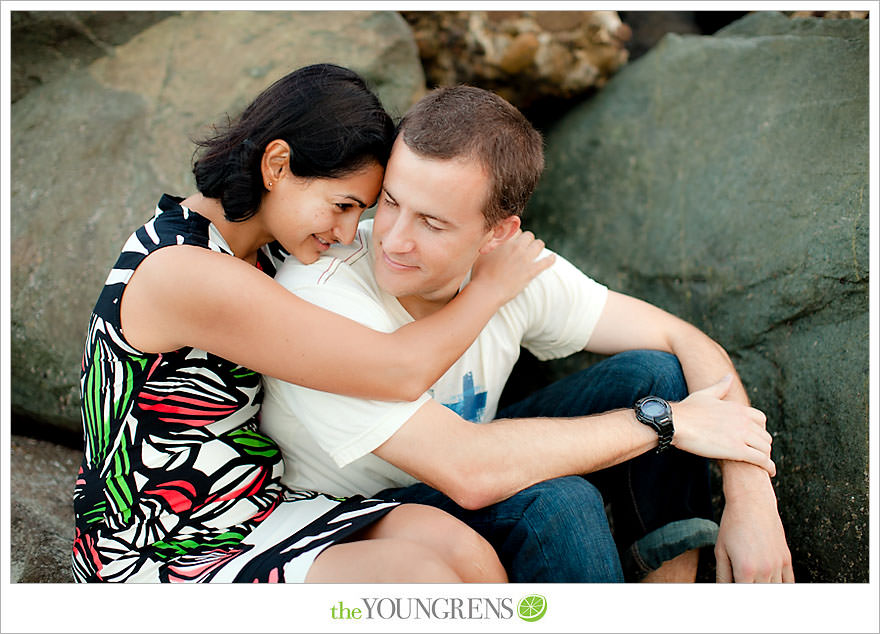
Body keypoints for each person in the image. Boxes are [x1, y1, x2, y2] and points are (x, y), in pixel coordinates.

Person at [260, 84, 795, 583]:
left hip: (469, 459)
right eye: (393, 202)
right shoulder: (321, 290)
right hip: (354, 515)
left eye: (433, 223)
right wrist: (667, 424)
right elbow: (469, 470)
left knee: (655, 373)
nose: (393, 241)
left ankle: (669, 596)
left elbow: (684, 339)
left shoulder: (510, 268)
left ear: (498, 233)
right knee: (559, 501)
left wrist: (750, 498)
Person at [71, 65, 554, 583]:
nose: (350, 233)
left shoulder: (266, 246)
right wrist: (489, 289)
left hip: (256, 504)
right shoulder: (181, 271)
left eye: (365, 208)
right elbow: (398, 370)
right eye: (342, 206)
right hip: (157, 541)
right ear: (277, 166)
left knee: (456, 544)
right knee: (415, 574)